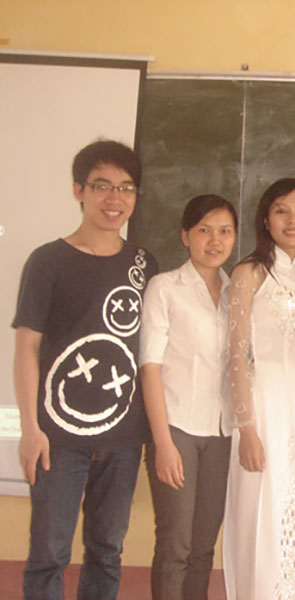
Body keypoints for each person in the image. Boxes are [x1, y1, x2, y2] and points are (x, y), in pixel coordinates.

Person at [12, 140, 158, 599]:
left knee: (107, 551)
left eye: (126, 188)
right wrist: (30, 428)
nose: (115, 198)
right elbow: (26, 347)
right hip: (57, 439)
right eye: (102, 186)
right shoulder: (47, 261)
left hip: (122, 439)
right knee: (49, 553)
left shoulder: (143, 264)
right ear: (79, 190)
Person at [222, 178, 295, 599]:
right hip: (264, 407)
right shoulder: (249, 273)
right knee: (263, 512)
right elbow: (235, 355)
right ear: (266, 219)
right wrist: (246, 428)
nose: (292, 220)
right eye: (281, 210)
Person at [139, 194, 237, 600]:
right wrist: (162, 443)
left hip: (221, 432)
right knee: (175, 545)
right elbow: (150, 367)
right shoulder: (165, 288)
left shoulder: (237, 293)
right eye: (204, 230)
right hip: (176, 428)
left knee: (202, 549)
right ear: (185, 236)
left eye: (225, 231)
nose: (215, 241)